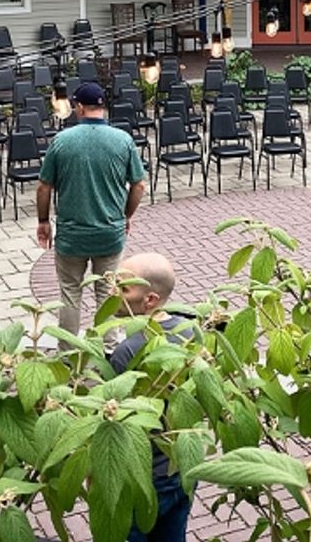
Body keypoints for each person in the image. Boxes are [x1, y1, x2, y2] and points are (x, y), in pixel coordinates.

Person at [36, 82, 148, 334]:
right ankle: (109, 350)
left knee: (70, 294)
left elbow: (44, 187)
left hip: (72, 236)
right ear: (103, 107)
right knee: (107, 294)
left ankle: (68, 352)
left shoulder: (61, 141)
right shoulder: (123, 140)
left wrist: (43, 222)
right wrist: (126, 215)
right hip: (109, 233)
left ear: (79, 107)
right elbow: (139, 185)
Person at [108, 252, 195, 542]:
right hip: (181, 467)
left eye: (124, 288)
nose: (113, 292)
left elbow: (120, 422)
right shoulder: (190, 330)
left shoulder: (127, 352)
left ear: (150, 300)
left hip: (143, 476)